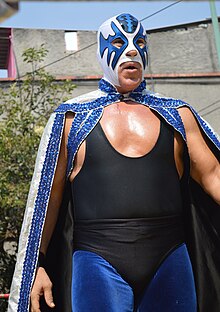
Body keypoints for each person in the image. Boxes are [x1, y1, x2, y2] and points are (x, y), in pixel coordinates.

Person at [8, 13, 220, 312]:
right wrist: (39, 264)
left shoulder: (178, 115)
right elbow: (48, 199)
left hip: (170, 258)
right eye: (120, 42)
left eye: (140, 43)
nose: (132, 50)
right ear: (101, 51)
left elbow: (213, 175)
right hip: (97, 259)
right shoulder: (73, 119)